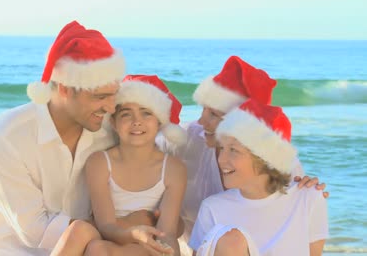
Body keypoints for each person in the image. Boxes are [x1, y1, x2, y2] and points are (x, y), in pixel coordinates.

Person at [0, 21, 128, 256]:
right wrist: (121, 228)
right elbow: (33, 230)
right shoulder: (6, 135)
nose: (110, 107)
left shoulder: (108, 130)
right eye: (100, 97)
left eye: (114, 95)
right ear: (64, 88)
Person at [155, 56, 328, 255]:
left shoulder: (286, 168)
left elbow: (294, 216)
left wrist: (308, 191)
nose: (201, 122)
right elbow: (141, 150)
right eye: (203, 109)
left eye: (214, 114)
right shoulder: (186, 140)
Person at [54, 75, 188, 256]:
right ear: (113, 122)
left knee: (98, 249)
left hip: (149, 247)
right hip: (113, 238)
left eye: (146, 112)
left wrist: (166, 250)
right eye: (126, 114)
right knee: (83, 232)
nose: (136, 121)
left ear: (160, 121)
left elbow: (168, 233)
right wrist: (133, 233)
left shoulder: (173, 169)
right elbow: (106, 227)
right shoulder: (100, 162)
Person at [189, 99, 329, 255]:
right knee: (231, 239)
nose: (221, 159)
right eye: (222, 148)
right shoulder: (212, 208)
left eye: (233, 150)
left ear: (266, 158)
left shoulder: (308, 198)